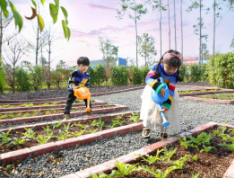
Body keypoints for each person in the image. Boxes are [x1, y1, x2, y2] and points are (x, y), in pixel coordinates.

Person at [140, 49, 183, 139]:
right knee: (150, 109)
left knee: (165, 112)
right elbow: (148, 78)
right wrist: (158, 87)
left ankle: (163, 131)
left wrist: (166, 103)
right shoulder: (157, 67)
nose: (171, 71)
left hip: (167, 93)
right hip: (153, 90)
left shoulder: (175, 76)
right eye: (169, 68)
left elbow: (171, 90)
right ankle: (146, 127)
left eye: (174, 69)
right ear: (162, 62)